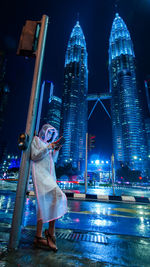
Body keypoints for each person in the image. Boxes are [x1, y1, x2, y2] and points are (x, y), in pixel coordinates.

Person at [30, 124, 67, 251]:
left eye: (52, 134)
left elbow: (53, 160)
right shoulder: (36, 140)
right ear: (43, 131)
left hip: (49, 177)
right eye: (48, 133)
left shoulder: (48, 145)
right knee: (57, 197)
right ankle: (50, 233)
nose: (50, 135)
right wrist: (48, 147)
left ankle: (39, 236)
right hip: (40, 176)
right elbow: (34, 155)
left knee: (45, 204)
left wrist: (55, 149)